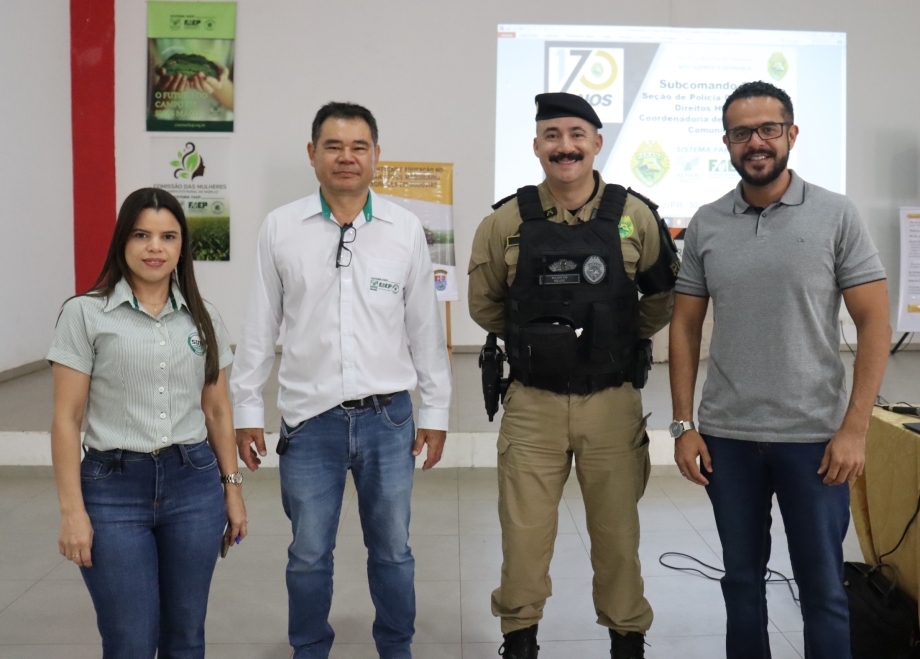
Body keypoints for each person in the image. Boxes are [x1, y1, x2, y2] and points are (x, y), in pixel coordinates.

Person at [668, 81, 891, 659]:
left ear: (791, 134)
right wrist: (682, 424)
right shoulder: (708, 222)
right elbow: (685, 327)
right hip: (728, 439)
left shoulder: (837, 215)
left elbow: (874, 323)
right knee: (741, 584)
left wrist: (855, 429)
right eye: (743, 132)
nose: (756, 142)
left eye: (769, 129)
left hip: (815, 440)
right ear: (727, 142)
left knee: (822, 589)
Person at [230, 101, 452, 659]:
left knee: (393, 551)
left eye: (359, 147)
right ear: (312, 155)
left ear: (377, 155)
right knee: (308, 552)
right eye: (333, 146)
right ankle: (309, 649)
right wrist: (247, 409)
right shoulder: (281, 227)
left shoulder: (405, 230)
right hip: (310, 421)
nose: (346, 157)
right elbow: (259, 326)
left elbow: (426, 329)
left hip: (389, 418)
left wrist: (436, 413)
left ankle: (395, 647)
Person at [468, 92, 678, 659]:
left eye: (577, 135)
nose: (566, 147)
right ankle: (519, 638)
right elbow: (485, 305)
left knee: (617, 537)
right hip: (533, 404)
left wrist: (620, 337)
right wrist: (544, 346)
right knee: (524, 537)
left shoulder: (635, 216)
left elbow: (661, 296)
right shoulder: (506, 221)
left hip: (611, 402)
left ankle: (626, 638)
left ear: (596, 143)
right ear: (537, 145)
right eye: (553, 135)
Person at [48, 187, 247, 659]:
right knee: (130, 641)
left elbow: (217, 411)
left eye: (168, 236)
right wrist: (72, 512)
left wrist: (232, 490)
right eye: (142, 234)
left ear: (182, 247)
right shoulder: (85, 314)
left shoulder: (204, 318)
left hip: (193, 485)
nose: (155, 247)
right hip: (112, 489)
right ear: (122, 241)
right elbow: (65, 418)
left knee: (185, 638)